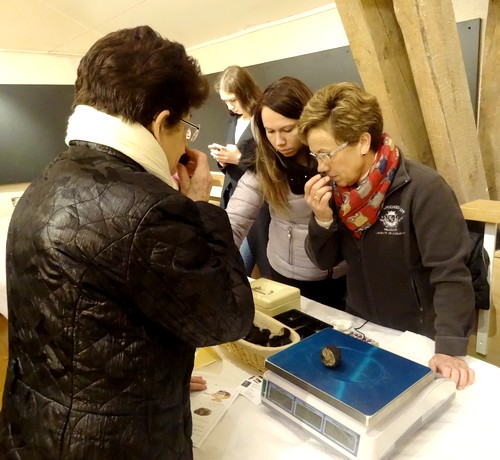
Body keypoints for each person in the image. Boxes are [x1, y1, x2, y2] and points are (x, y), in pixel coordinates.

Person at [0, 26, 254, 459]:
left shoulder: (48, 179)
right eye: (184, 128)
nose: (182, 145)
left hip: (37, 427)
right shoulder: (150, 208)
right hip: (111, 443)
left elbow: (90, 322)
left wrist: (158, 375)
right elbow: (227, 319)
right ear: (160, 124)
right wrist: (199, 204)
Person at [298, 81, 476, 389]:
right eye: (316, 156)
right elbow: (324, 262)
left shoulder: (424, 189)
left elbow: (451, 274)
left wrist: (448, 349)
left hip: (418, 338)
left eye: (327, 154)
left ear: (363, 142)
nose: (321, 167)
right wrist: (322, 220)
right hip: (362, 328)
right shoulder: (339, 195)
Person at [226, 77, 347, 308]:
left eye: (288, 129)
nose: (279, 141)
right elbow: (235, 221)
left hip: (342, 274)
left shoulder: (336, 156)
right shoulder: (263, 164)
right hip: (287, 275)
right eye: (270, 131)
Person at [209, 65, 272, 278]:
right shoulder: (234, 119)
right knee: (232, 262)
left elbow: (271, 160)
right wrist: (223, 160)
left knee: (246, 264)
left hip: (258, 203)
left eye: (232, 100)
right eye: (225, 101)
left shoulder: (264, 118)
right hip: (231, 195)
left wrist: (237, 158)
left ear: (245, 92)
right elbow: (234, 155)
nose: (230, 106)